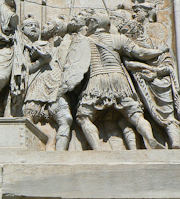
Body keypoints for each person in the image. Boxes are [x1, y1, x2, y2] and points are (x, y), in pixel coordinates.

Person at [72, 13, 168, 150]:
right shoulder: (118, 39)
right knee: (135, 115)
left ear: (94, 24)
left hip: (97, 79)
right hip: (119, 80)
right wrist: (159, 51)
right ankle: (150, 139)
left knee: (83, 117)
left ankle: (97, 149)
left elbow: (75, 66)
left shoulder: (83, 41)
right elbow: (141, 53)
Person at [121, 20, 180, 149]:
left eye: (125, 31)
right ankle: (148, 144)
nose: (123, 35)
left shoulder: (157, 43)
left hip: (161, 83)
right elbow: (129, 64)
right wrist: (150, 68)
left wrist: (155, 72)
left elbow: (169, 64)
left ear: (134, 30)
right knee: (139, 115)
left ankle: (175, 142)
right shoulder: (128, 47)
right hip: (139, 84)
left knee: (167, 116)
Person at [22, 16, 73, 151]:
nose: (43, 26)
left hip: (56, 87)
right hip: (38, 85)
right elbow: (25, 68)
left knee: (66, 119)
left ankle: (60, 154)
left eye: (48, 24)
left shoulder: (66, 44)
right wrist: (42, 61)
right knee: (29, 116)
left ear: (57, 29)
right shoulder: (34, 46)